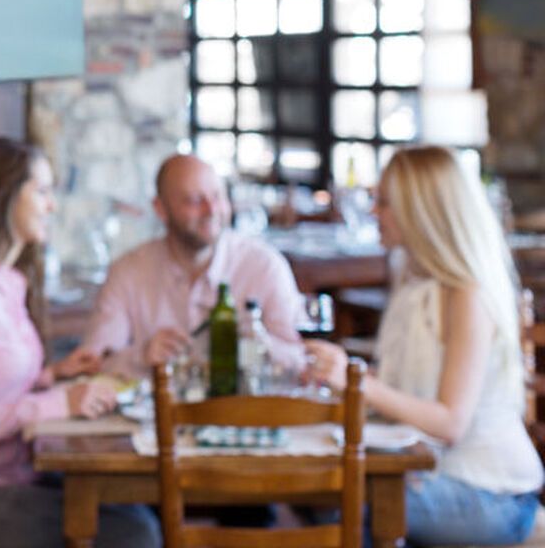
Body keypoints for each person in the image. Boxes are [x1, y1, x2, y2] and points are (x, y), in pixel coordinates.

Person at [306, 146, 543, 545]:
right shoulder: (410, 273)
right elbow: (408, 386)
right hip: (432, 472)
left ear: (420, 209)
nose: (372, 212)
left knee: (343, 501)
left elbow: (450, 423)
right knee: (321, 492)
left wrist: (359, 382)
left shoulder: (467, 292)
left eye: (383, 202)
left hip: (492, 493)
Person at [0, 137, 160, 548]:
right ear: (4, 195)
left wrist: (53, 375)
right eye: (41, 191)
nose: (52, 206)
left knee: (141, 509)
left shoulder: (7, 282)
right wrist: (62, 402)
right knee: (138, 533)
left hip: (17, 476)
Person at [70, 153, 304, 377]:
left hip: (246, 412)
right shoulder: (127, 271)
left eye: (218, 197)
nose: (211, 210)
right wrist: (141, 356)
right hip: (152, 415)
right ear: (160, 209)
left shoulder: (265, 266)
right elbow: (93, 362)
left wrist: (256, 346)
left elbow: (301, 360)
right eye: (194, 201)